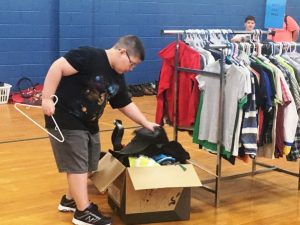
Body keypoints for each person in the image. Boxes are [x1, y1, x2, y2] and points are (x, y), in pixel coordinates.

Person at [41, 35, 158, 225]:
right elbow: (58, 67)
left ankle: (70, 200)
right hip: (65, 118)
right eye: (132, 63)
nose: (131, 68)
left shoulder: (118, 78)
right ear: (122, 52)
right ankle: (83, 212)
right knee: (77, 165)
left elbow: (124, 103)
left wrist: (145, 122)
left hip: (89, 122)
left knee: (90, 164)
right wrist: (47, 98)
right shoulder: (89, 55)